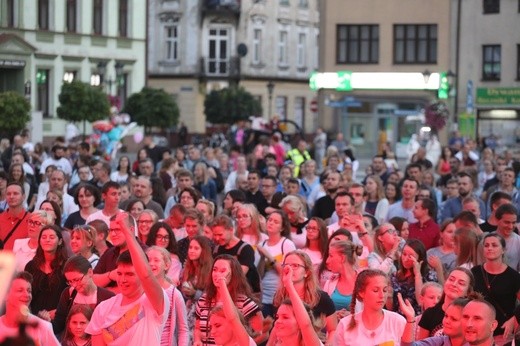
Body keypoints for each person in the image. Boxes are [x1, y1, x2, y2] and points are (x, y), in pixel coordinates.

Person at [85, 212, 170, 345]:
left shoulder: (154, 303)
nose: (123, 279)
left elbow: (146, 275)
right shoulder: (103, 308)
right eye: (120, 274)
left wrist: (127, 232)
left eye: (129, 274)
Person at [193, 254, 264, 345]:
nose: (217, 274)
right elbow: (198, 328)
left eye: (223, 271)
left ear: (233, 274)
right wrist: (197, 340)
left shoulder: (244, 303)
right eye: (214, 270)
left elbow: (262, 333)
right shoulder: (203, 300)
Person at [272, 250, 336, 345]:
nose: (289, 269)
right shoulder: (279, 296)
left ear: (307, 272)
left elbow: (333, 329)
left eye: (295, 265)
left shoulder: (321, 298)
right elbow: (276, 328)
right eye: (286, 265)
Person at [334, 269, 407, 345]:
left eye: (385, 290)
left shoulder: (398, 322)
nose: (382, 295)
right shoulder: (345, 324)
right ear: (361, 292)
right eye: (375, 290)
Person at [471, 233, 520, 339]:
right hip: (477, 329)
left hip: (503, 331)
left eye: (494, 245)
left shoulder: (513, 276)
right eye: (486, 245)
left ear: (503, 250)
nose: (490, 248)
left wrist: (514, 319)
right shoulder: (474, 272)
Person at [53, 255, 115, 335]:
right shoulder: (68, 294)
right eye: (70, 281)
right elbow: (59, 324)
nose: (74, 285)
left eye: (77, 280)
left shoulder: (108, 297)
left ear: (90, 272)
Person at [145, 246, 189, 346]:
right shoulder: (141, 291)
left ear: (166, 265)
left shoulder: (174, 294)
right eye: (148, 260)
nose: (151, 263)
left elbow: (183, 329)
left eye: (156, 260)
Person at [0, 272, 60, 345]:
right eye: (20, 290)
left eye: (29, 291)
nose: (27, 295)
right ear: (6, 294)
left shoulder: (43, 327)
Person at [24, 224, 68, 321]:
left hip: (59, 318)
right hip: (33, 318)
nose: (47, 240)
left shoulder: (67, 266)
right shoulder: (31, 266)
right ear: (39, 241)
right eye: (44, 237)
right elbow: (25, 292)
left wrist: (57, 312)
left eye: (51, 237)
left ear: (60, 241)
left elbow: (72, 296)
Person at [257, 210, 297, 317]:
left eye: (276, 222)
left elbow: (286, 272)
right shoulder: (262, 244)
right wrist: (261, 259)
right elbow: (259, 274)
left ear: (282, 228)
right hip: (264, 295)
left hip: (280, 295)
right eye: (269, 220)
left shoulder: (287, 244)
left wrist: (268, 256)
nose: (271, 223)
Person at [416, 267, 475, 339]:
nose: (454, 284)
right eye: (451, 279)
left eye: (461, 283)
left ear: (468, 291)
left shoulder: (470, 317)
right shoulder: (430, 313)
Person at [400, 294, 471, 346]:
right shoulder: (439, 341)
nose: (447, 321)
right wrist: (410, 319)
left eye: (454, 319)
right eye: (446, 316)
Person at [389, 239, 438, 315]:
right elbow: (391, 305)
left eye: (411, 256)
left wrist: (417, 274)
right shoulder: (395, 276)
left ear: (420, 259)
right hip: (397, 317)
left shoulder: (429, 276)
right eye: (404, 254)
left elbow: (420, 301)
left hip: (416, 318)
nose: (405, 259)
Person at [0, 182, 29, 250]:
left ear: (23, 197)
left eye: (15, 193)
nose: (11, 196)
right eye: (8, 194)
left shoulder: (31, 220)